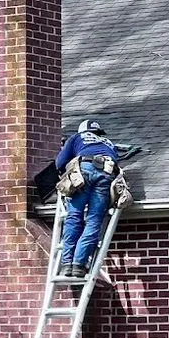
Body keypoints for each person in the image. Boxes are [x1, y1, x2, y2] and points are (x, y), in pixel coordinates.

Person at [55, 118, 120, 278]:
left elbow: (59, 163)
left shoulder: (77, 138)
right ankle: (79, 265)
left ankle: (66, 265)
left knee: (74, 217)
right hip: (106, 173)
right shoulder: (108, 143)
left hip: (84, 170)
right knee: (94, 220)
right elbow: (117, 164)